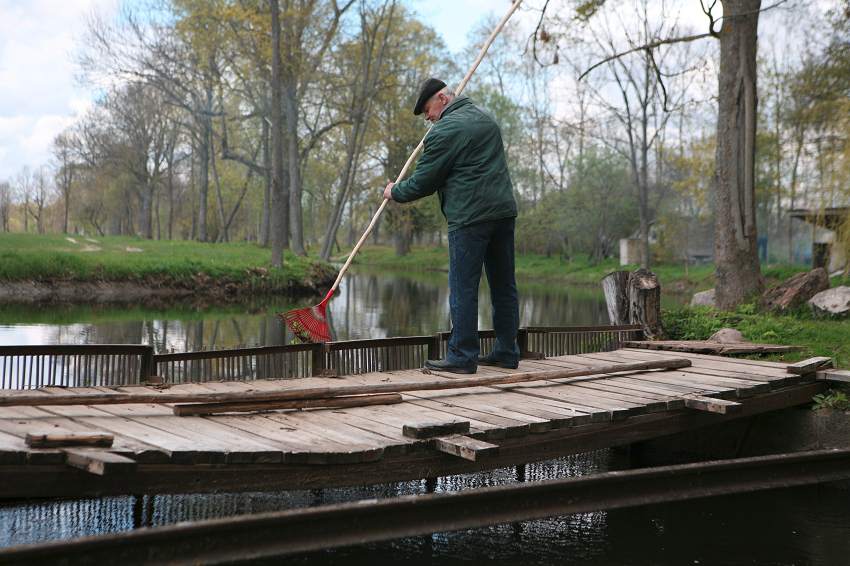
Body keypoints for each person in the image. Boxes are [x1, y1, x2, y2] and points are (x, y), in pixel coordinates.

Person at [383, 77, 520, 374]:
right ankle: (507, 352)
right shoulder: (486, 119)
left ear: (443, 99)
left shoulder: (445, 130)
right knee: (503, 286)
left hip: (469, 217)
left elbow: (423, 183)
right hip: (503, 213)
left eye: (427, 110)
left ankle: (462, 356)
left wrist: (395, 191)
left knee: (463, 287)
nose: (427, 119)